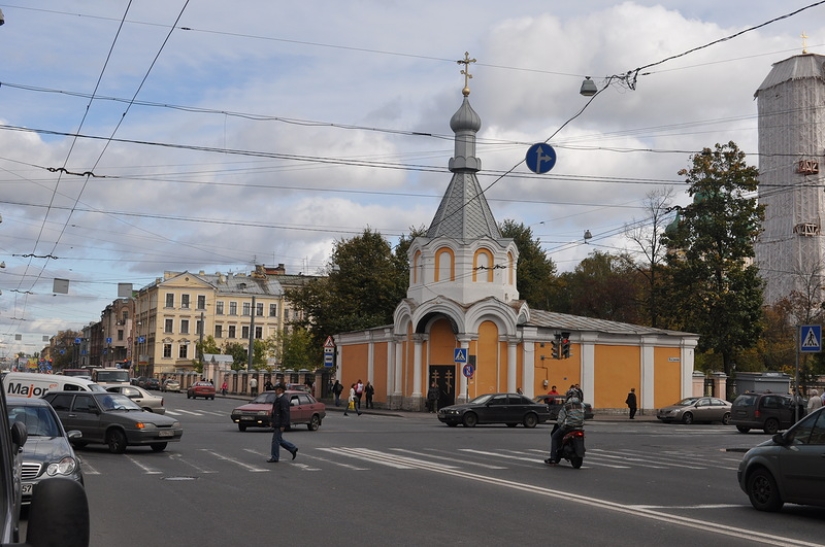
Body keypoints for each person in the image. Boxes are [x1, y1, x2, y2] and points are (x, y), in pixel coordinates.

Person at [546, 392, 585, 465]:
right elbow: (583, 415)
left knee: (554, 437)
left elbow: (561, 419)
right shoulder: (582, 405)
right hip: (580, 427)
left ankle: (553, 458)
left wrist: (560, 423)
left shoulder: (567, 406)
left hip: (569, 426)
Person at [267, 384, 298, 463]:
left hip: (280, 423)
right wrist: (272, 421)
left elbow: (285, 413)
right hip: (277, 422)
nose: (275, 391)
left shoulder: (283, 400)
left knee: (275, 441)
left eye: (276, 390)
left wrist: (283, 425)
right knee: (278, 440)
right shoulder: (278, 399)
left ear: (281, 390)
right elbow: (274, 411)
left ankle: (275, 457)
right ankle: (292, 448)